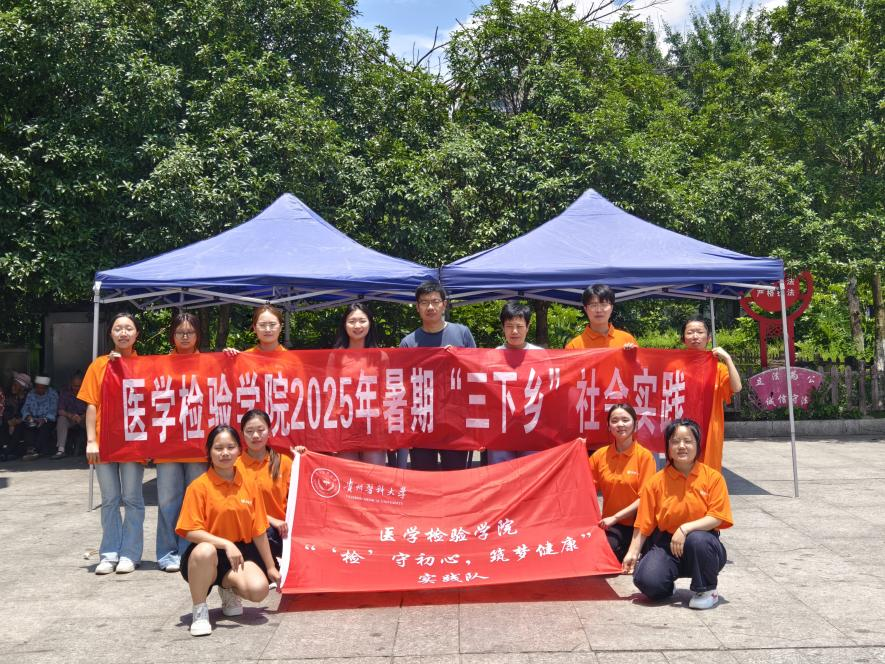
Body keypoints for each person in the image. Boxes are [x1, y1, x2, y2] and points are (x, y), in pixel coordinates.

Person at [176, 424, 281, 637]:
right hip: (206, 554)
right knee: (205, 550)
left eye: (230, 447)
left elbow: (259, 530)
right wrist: (225, 544)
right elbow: (189, 531)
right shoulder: (198, 486)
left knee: (259, 590)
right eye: (218, 448)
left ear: (239, 450)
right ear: (209, 451)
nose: (225, 453)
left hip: (240, 554)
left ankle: (228, 589)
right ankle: (200, 610)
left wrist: (271, 567)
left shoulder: (249, 484)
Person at [623, 418, 733, 610]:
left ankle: (707, 590)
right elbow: (643, 523)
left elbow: (717, 516)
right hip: (667, 545)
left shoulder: (713, 478)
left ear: (697, 445)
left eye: (688, 441)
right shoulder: (656, 482)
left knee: (697, 539)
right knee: (646, 580)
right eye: (675, 441)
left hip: (704, 545)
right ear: (668, 447)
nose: (681, 446)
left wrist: (685, 529)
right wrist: (632, 552)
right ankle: (667, 587)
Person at [79, 313, 145, 574]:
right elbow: (91, 405)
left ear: (137, 334)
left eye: (129, 328)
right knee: (109, 499)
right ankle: (109, 554)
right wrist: (91, 440)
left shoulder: (144, 365)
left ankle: (130, 554)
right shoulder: (99, 365)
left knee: (132, 499)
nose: (123, 333)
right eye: (118, 329)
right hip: (104, 442)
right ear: (111, 334)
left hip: (133, 442)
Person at [400, 281, 476, 471]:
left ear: (444, 304)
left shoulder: (462, 333)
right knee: (424, 478)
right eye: (424, 302)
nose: (430, 307)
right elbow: (403, 386)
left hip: (455, 422)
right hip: (422, 422)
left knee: (455, 477)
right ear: (417, 307)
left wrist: (459, 358)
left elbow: (476, 372)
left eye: (435, 301)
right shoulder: (408, 342)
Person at [155, 312, 209, 573]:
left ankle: (190, 551)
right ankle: (167, 552)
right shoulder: (158, 364)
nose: (185, 336)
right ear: (172, 336)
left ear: (198, 335)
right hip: (167, 443)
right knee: (168, 500)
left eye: (190, 332)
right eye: (180, 332)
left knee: (195, 501)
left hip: (198, 445)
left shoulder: (210, 363)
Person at [588, 404, 656, 561]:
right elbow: (585, 489)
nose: (620, 424)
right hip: (612, 525)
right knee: (600, 553)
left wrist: (616, 517)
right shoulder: (599, 456)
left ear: (635, 424)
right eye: (614, 421)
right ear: (608, 427)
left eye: (625, 420)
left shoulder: (644, 456)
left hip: (639, 525)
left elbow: (645, 498)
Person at [681, 318, 742, 472]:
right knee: (680, 472)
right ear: (683, 339)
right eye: (690, 332)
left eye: (700, 332)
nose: (695, 336)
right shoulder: (674, 366)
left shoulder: (718, 368)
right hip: (681, 429)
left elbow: (736, 387)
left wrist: (727, 359)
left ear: (708, 338)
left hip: (710, 430)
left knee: (708, 473)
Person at [330, 303, 387, 465]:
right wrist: (331, 430)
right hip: (344, 424)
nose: (357, 326)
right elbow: (329, 393)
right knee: (347, 475)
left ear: (370, 323)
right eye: (352, 321)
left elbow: (386, 394)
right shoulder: (336, 356)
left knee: (374, 474)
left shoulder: (381, 356)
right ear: (344, 324)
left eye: (362, 321)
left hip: (373, 425)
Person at [488, 302, 542, 465]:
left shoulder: (541, 355)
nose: (514, 331)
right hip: (500, 430)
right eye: (509, 326)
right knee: (501, 476)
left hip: (532, 428)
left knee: (531, 474)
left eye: (519, 326)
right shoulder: (492, 356)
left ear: (528, 327)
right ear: (503, 327)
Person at [236, 409, 293, 561]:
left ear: (270, 432)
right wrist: (270, 520)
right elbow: (237, 506)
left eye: (261, 430)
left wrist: (304, 459)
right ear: (242, 434)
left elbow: (301, 498)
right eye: (249, 431)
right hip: (250, 533)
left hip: (282, 533)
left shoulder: (284, 462)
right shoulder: (234, 466)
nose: (255, 435)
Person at [565, 284, 637, 350]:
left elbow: (639, 360)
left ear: (611, 308)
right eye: (593, 305)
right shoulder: (574, 346)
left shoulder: (627, 340)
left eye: (604, 304)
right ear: (586, 309)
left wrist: (632, 355)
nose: (599, 310)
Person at [21, 376, 59, 461]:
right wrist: (28, 416)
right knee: (27, 426)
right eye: (37, 387)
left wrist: (44, 419)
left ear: (46, 388)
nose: (39, 390)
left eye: (42, 388)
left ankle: (36, 450)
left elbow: (53, 410)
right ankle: (30, 449)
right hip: (33, 418)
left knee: (45, 427)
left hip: (47, 419)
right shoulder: (31, 394)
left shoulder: (53, 394)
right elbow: (25, 408)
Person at [52, 371, 86, 459]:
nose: (76, 388)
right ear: (71, 384)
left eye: (79, 386)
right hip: (70, 418)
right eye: (74, 386)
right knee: (61, 419)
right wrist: (71, 415)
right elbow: (60, 410)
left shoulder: (87, 392)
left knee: (93, 419)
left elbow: (92, 408)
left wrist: (82, 416)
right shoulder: (65, 392)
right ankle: (61, 450)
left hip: (84, 418)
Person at [0, 372, 29, 460]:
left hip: (24, 423)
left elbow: (30, 413)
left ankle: (9, 452)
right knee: (3, 424)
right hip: (12, 422)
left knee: (20, 427)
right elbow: (6, 411)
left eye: (16, 385)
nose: (13, 387)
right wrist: (10, 421)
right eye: (13, 385)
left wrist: (18, 421)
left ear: (22, 387)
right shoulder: (10, 398)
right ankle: (4, 450)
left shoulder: (29, 398)